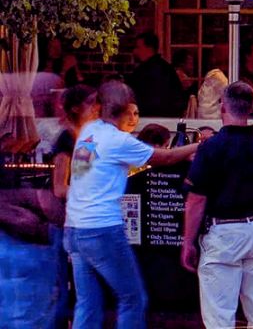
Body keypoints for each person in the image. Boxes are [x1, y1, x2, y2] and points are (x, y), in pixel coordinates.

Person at [68, 80, 201, 329]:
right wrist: (200, 146)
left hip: (75, 228)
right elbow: (166, 158)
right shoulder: (118, 140)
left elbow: (86, 172)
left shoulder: (89, 131)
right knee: (133, 299)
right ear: (125, 109)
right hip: (102, 229)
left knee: (88, 303)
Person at [182, 81, 253, 329]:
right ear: (252, 107)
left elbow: (196, 200)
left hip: (223, 231)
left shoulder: (211, 147)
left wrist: (188, 241)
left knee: (220, 316)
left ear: (222, 106)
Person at [49, 84, 100, 326]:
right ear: (77, 108)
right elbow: (60, 187)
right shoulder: (68, 139)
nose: (97, 107)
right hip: (66, 222)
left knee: (83, 292)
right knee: (66, 288)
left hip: (80, 221)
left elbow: (82, 176)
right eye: (92, 102)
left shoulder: (85, 138)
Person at [125, 31, 187, 120]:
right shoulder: (168, 69)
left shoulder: (143, 72)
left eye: (138, 47)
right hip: (168, 121)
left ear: (148, 48)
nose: (135, 51)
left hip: (147, 120)